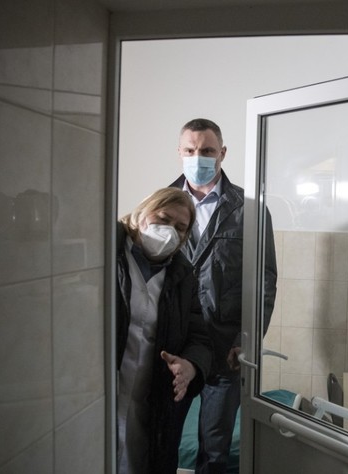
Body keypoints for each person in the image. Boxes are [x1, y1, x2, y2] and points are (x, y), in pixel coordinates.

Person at [169, 118, 277, 473]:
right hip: (176, 348)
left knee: (215, 452)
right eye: (190, 150)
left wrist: (247, 339)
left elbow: (264, 281)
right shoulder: (163, 206)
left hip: (225, 349)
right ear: (179, 152)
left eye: (207, 150)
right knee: (164, 442)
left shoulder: (249, 209)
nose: (198, 157)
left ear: (223, 153)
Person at [116, 187, 213, 474]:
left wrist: (191, 366)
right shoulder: (108, 254)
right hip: (97, 394)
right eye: (162, 219)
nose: (169, 231)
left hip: (150, 401)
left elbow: (199, 337)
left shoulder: (182, 276)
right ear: (140, 214)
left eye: (180, 228)